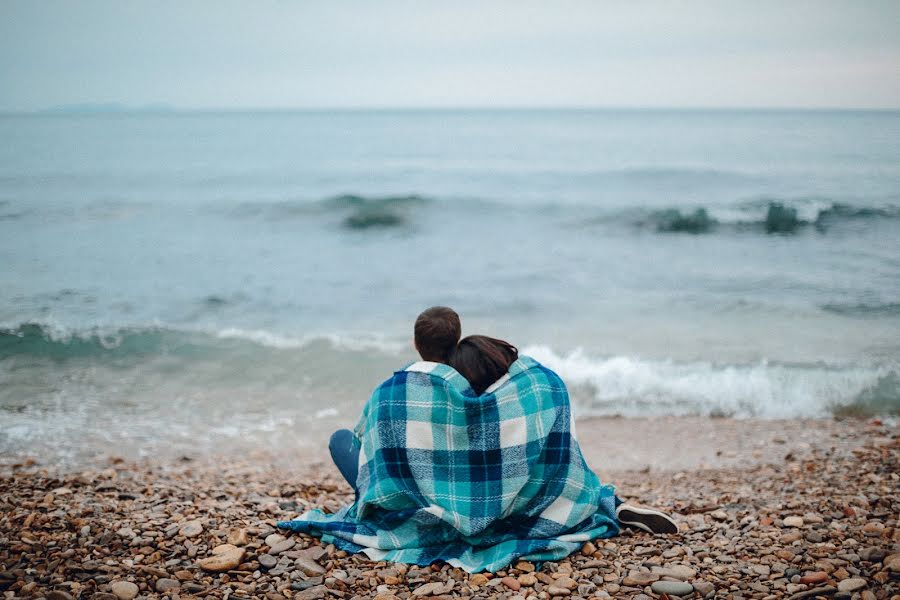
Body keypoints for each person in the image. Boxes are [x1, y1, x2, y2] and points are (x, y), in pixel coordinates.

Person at [278, 307, 674, 573]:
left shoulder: (396, 391)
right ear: (458, 338)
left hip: (423, 499)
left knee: (343, 441)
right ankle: (612, 504)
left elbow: (371, 441)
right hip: (512, 500)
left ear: (417, 345)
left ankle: (389, 504)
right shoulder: (501, 393)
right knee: (545, 467)